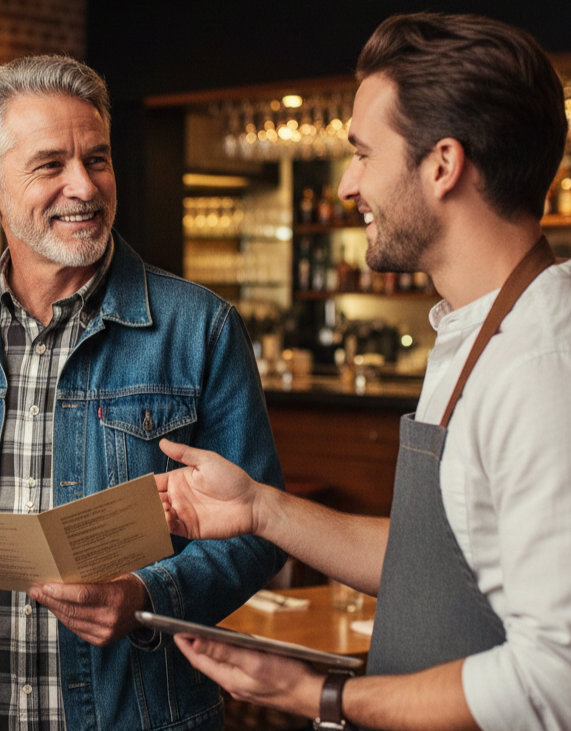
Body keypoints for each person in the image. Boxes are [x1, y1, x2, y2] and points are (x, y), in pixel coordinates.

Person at [156, 13, 571, 731]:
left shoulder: (540, 368)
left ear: (443, 164)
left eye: (363, 153)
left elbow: (554, 679)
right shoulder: (472, 329)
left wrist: (319, 695)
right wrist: (260, 507)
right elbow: (435, 564)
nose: (348, 185)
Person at [0, 54, 285, 731]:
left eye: (98, 159)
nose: (85, 186)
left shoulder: (200, 328)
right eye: (50, 165)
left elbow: (259, 535)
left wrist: (144, 593)